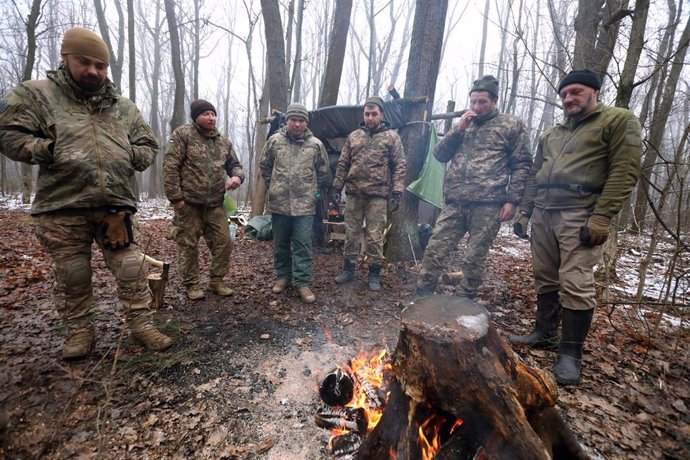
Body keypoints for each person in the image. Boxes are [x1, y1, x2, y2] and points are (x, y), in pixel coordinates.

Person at [0, 27, 172, 359]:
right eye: (84, 62)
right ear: (67, 59)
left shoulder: (121, 107)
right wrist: (45, 149)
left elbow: (148, 143)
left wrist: (130, 156)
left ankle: (142, 325)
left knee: (131, 266)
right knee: (73, 273)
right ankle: (80, 332)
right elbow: (7, 131)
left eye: (100, 65)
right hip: (62, 204)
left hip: (114, 208)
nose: (93, 70)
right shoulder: (38, 95)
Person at [510, 69, 642, 385]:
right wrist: (525, 213)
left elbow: (624, 172)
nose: (569, 98)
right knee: (545, 276)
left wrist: (601, 216)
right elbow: (533, 175)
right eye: (565, 94)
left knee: (575, 280)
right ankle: (544, 333)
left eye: (576, 92)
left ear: (594, 92)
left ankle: (570, 354)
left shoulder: (618, 121)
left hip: (580, 213)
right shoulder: (551, 134)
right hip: (543, 213)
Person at [415, 75, 532, 298]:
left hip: (488, 205)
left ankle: (463, 302)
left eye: (482, 102)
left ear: (495, 101)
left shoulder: (510, 125)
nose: (477, 107)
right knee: (435, 248)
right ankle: (422, 296)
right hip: (455, 201)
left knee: (474, 256)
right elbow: (439, 155)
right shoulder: (464, 123)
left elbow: (522, 165)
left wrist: (512, 200)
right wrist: (458, 129)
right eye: (473, 102)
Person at [163, 99, 244, 300]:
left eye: (213, 114)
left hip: (215, 204)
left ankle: (216, 281)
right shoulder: (182, 135)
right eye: (206, 114)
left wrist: (236, 177)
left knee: (224, 242)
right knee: (188, 245)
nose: (211, 118)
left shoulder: (223, 141)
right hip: (189, 204)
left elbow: (235, 164)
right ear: (196, 116)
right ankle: (192, 285)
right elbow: (170, 167)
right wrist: (176, 199)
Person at [259, 103, 332, 303]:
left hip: (304, 206)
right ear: (287, 121)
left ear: (306, 123)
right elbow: (265, 166)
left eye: (301, 120)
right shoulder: (274, 141)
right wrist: (274, 185)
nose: (297, 124)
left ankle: (302, 282)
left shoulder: (315, 144)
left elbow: (324, 172)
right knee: (280, 243)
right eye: (293, 120)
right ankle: (283, 277)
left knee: (303, 244)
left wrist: (311, 190)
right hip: (279, 203)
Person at [331, 96, 406, 291]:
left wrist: (397, 192)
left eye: (374, 114)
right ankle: (348, 270)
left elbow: (399, 165)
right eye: (367, 114)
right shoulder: (354, 136)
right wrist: (336, 188)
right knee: (351, 235)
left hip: (378, 196)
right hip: (354, 194)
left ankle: (374, 274)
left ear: (381, 114)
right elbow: (343, 164)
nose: (370, 118)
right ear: (363, 115)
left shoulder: (391, 137)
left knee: (374, 237)